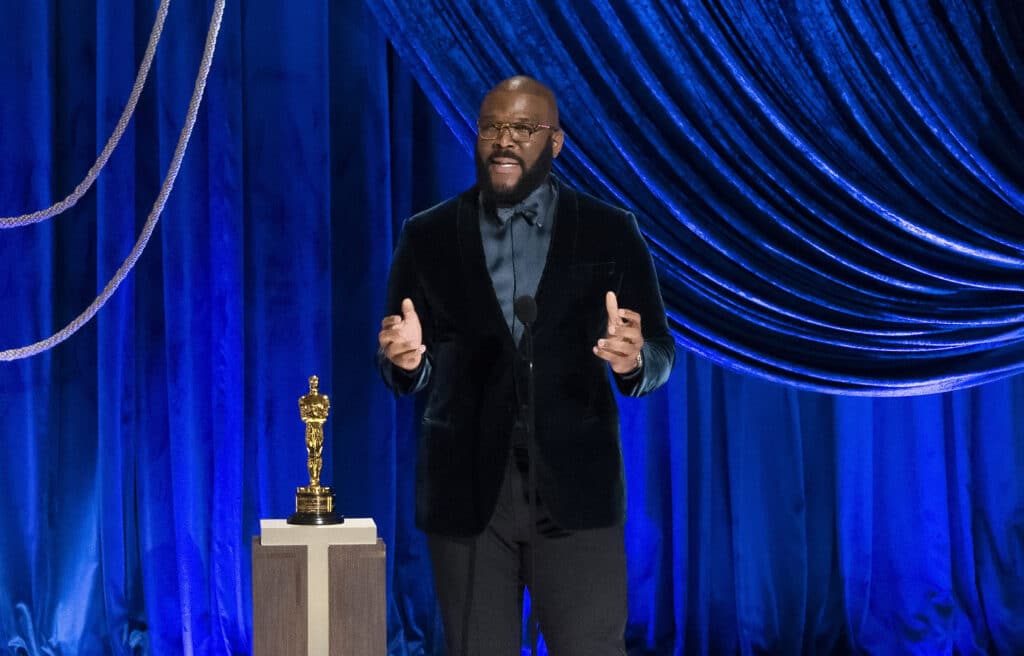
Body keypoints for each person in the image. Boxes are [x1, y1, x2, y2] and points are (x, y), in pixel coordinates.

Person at [378, 75, 675, 655]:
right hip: (467, 499)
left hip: (576, 494)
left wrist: (636, 360)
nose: (503, 140)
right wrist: (407, 359)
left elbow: (660, 353)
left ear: (556, 142)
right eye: (492, 126)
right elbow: (395, 361)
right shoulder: (428, 235)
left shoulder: (610, 231)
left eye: (522, 128)